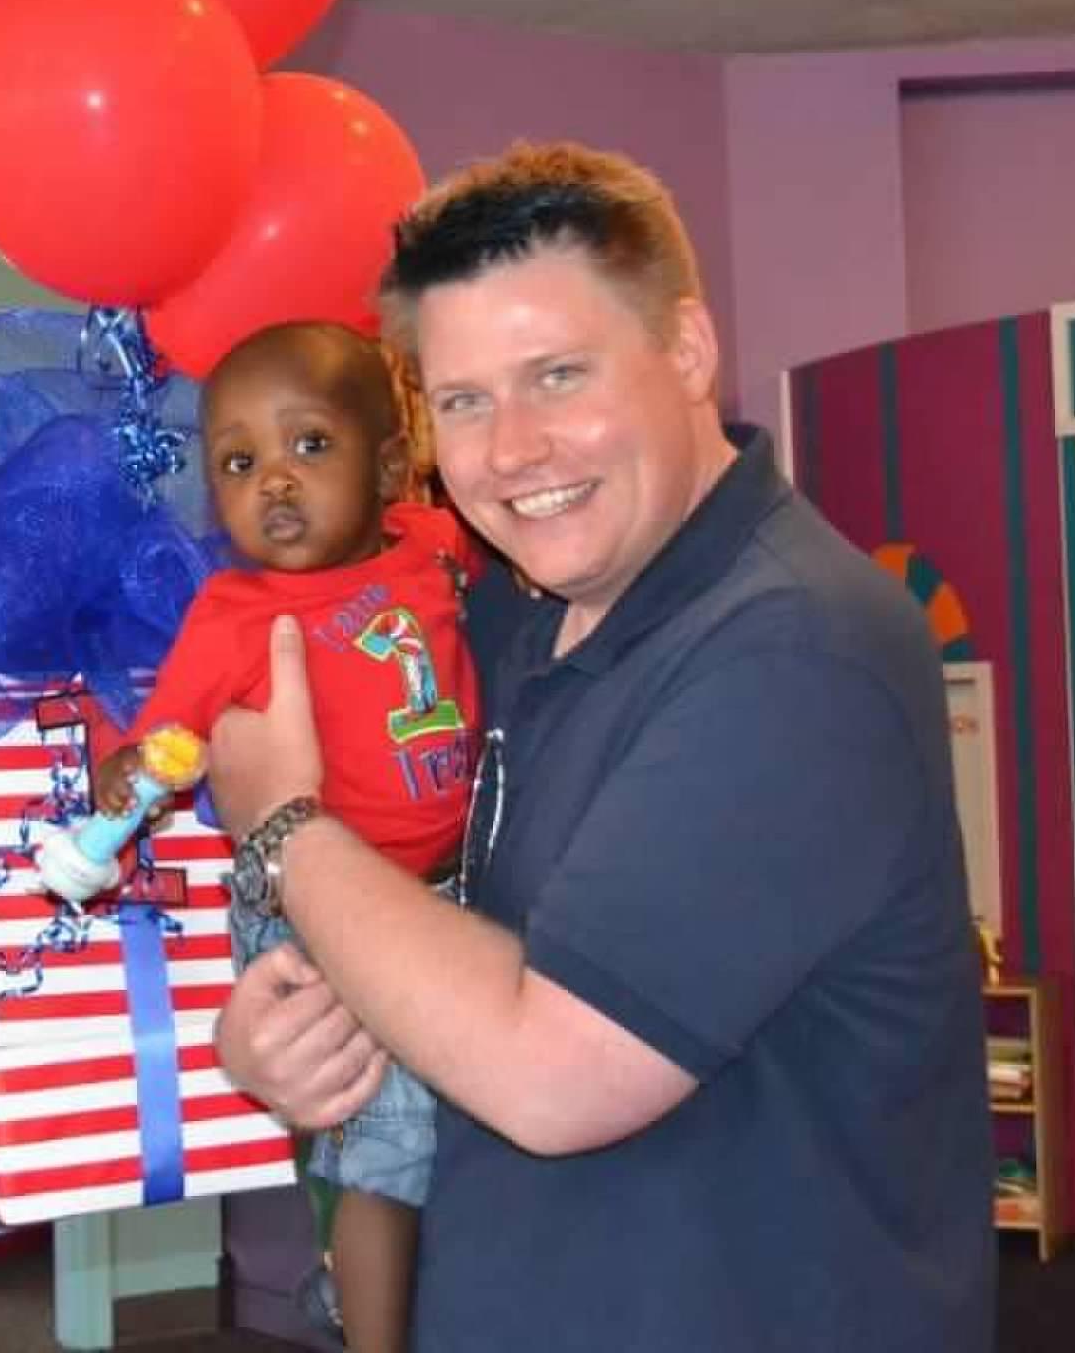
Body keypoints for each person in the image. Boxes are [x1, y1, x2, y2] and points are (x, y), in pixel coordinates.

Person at [206, 143, 994, 1351]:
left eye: (558, 375)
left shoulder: (791, 652)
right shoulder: (505, 617)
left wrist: (284, 832)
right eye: (463, 399)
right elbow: (473, 952)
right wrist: (292, 1030)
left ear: (685, 350)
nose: (511, 449)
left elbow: (553, 1071)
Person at [93, 320, 478, 1351]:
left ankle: (352, 1290)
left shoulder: (436, 551)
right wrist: (130, 779)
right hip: (312, 909)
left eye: (309, 445)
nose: (272, 481)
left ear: (392, 464)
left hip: (443, 895)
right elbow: (155, 750)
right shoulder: (233, 613)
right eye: (238, 459)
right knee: (386, 1152)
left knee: (451, 1136)